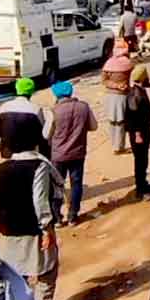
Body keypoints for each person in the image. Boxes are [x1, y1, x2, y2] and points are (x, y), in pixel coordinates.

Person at [0, 122, 62, 300]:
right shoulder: (40, 166)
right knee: (47, 269)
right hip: (33, 229)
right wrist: (47, 228)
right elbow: (40, 200)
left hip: (8, 229)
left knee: (18, 272)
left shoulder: (3, 167)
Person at [48, 81, 97, 226]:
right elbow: (93, 126)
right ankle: (73, 215)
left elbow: (46, 134)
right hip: (78, 152)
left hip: (58, 155)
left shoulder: (54, 110)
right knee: (76, 184)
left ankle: (56, 217)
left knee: (57, 185)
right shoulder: (83, 107)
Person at [0, 78, 51, 162]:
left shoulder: (4, 107)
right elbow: (43, 134)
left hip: (7, 153)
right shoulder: (36, 109)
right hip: (28, 154)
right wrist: (45, 156)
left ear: (17, 89)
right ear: (32, 92)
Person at [124, 66, 150, 201]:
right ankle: (140, 190)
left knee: (143, 159)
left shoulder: (139, 91)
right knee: (140, 161)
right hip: (139, 133)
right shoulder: (135, 95)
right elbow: (133, 115)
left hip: (143, 130)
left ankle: (143, 184)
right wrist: (137, 134)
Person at [100, 42, 133, 154]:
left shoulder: (108, 63)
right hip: (122, 96)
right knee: (121, 122)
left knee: (112, 121)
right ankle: (120, 147)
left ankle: (115, 145)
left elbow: (104, 80)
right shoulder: (127, 63)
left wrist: (114, 85)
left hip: (110, 96)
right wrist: (120, 86)